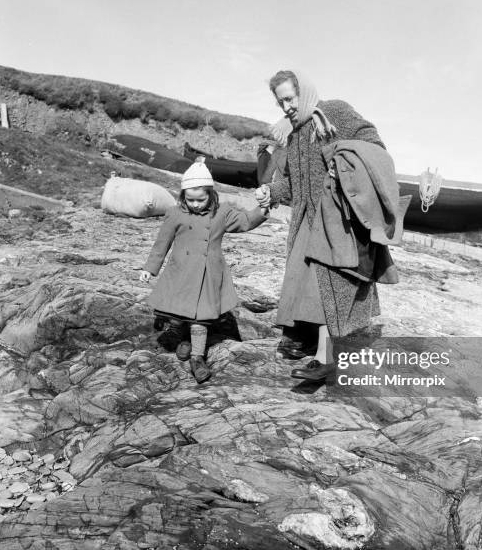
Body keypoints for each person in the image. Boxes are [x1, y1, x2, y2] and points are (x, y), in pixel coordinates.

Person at [256, 70, 400, 383]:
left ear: (304, 92)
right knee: (301, 279)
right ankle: (304, 337)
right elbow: (295, 184)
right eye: (281, 102)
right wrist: (273, 191)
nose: (287, 107)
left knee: (328, 285)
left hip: (337, 219)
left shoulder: (335, 111)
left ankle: (326, 357)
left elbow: (375, 146)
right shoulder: (294, 135)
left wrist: (344, 163)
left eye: (290, 98)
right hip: (306, 220)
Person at [140, 157, 268, 383]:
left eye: (201, 199)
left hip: (208, 273)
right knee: (178, 312)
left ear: (211, 193)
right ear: (183, 196)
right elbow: (162, 243)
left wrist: (263, 208)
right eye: (190, 200)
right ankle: (181, 337)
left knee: (201, 317)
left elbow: (246, 221)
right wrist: (150, 269)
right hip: (181, 271)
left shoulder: (223, 213)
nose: (196, 204)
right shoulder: (175, 213)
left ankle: (197, 359)